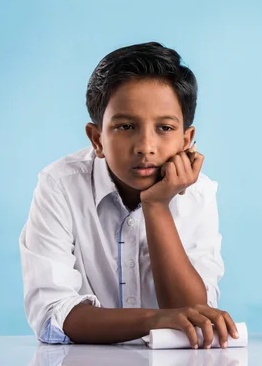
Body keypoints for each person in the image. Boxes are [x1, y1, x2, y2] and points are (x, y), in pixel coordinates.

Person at [19, 42, 238, 348]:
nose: (145, 146)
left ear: (187, 140)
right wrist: (153, 320)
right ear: (97, 139)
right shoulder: (60, 185)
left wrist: (157, 206)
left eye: (164, 127)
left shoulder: (198, 193)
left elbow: (196, 316)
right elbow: (53, 316)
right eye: (125, 126)